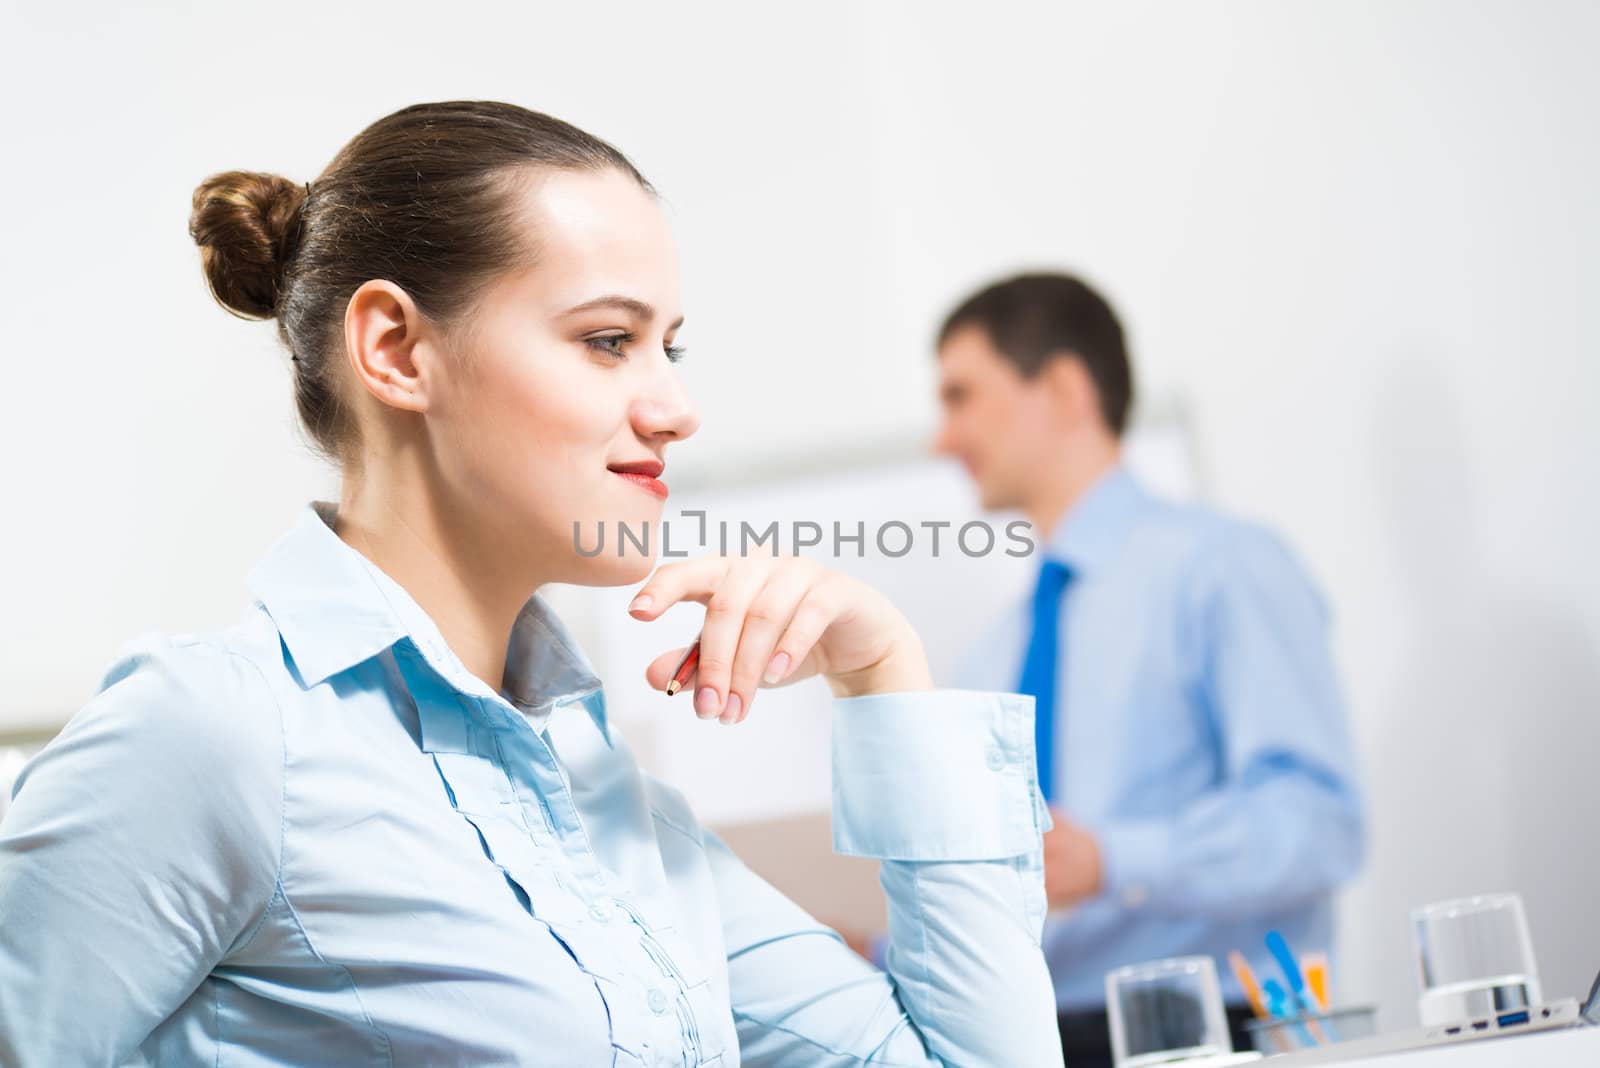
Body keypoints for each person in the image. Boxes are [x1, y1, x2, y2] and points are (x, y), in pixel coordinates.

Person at [0, 102, 1062, 1067]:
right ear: (396, 350)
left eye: (669, 346)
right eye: (609, 341)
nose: (676, 408)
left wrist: (885, 678)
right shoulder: (213, 738)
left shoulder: (602, 797)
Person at [929, 272, 1367, 1065]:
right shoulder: (991, 652)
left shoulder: (1223, 569)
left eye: (961, 395)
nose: (942, 438)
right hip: (1039, 1037)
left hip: (1217, 1026)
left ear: (1061, 388)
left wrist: (1111, 860)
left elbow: (1318, 824)